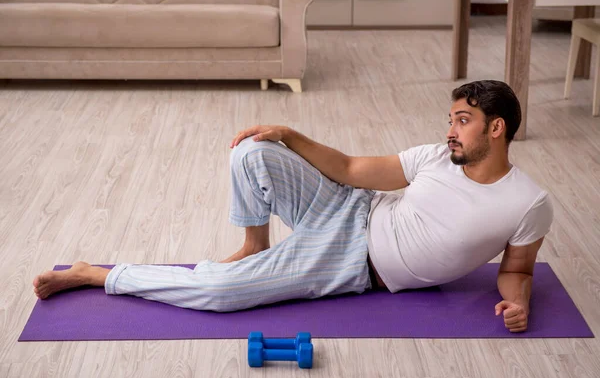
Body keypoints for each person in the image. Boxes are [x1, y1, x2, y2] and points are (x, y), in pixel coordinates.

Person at [33, 80, 552, 333]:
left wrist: (519, 302)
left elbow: (516, 269)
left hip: (351, 264)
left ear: (496, 127)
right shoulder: (435, 157)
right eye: (451, 119)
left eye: (461, 120)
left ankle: (96, 274)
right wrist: (287, 134)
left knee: (217, 293)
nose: (449, 131)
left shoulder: (527, 202)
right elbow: (348, 169)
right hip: (350, 210)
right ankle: (252, 245)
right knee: (253, 150)